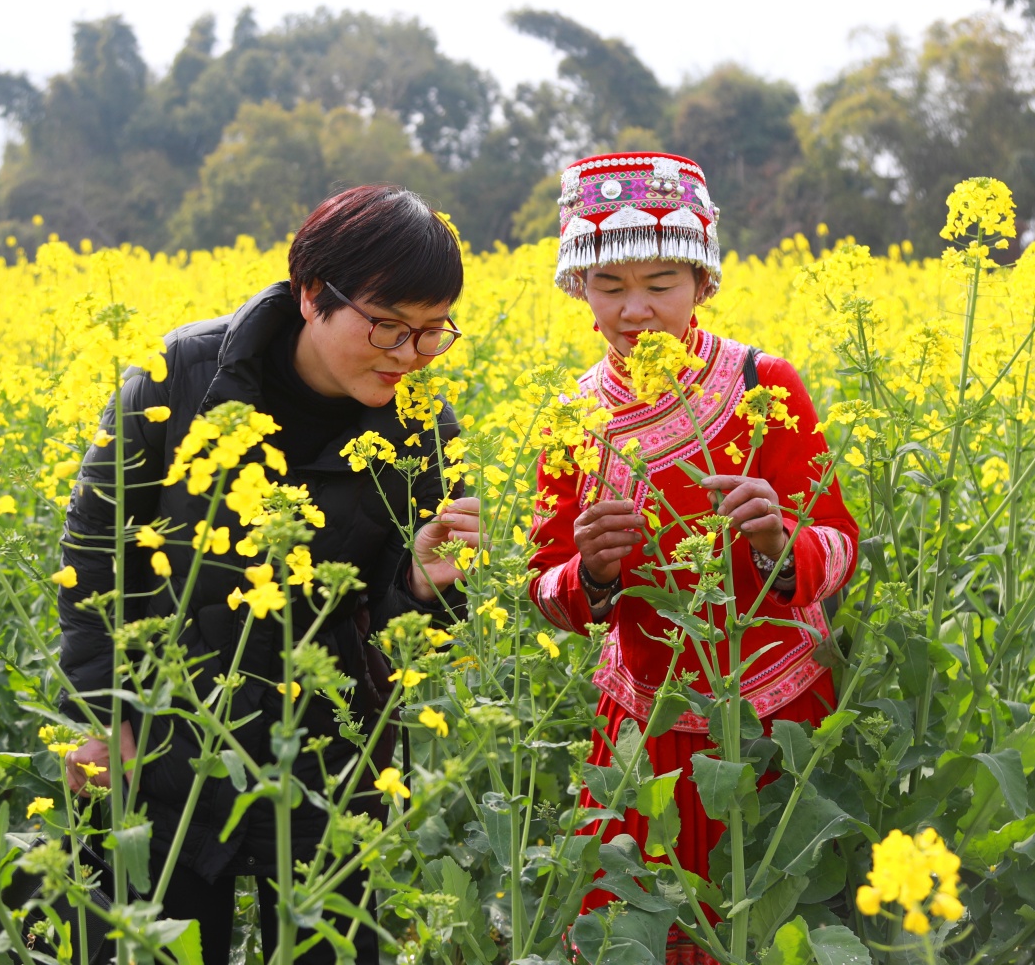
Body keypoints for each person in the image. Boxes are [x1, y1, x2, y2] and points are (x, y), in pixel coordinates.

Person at [56, 185, 479, 965]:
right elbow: (92, 557)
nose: (407, 356)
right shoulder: (177, 375)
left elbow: (397, 635)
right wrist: (96, 709)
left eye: (430, 333)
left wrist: (427, 590)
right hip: (164, 741)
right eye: (388, 326)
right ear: (313, 294)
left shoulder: (425, 428)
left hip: (329, 756)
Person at [526, 152, 858, 965]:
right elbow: (543, 584)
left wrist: (779, 541)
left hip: (774, 717)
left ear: (704, 282)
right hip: (645, 723)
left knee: (773, 927)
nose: (634, 310)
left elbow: (840, 543)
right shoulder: (572, 415)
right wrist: (590, 574)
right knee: (630, 935)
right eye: (610, 287)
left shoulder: (760, 383)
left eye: (661, 283)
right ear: (580, 290)